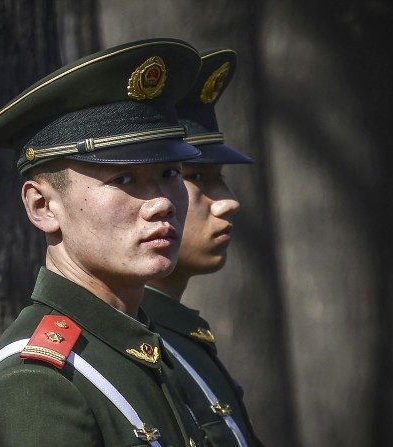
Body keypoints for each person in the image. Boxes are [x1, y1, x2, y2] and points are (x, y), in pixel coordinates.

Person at [0, 39, 207, 446]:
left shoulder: (152, 347)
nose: (161, 202)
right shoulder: (38, 385)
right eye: (123, 179)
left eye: (170, 173)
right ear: (42, 207)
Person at [143, 49, 263, 447]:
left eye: (221, 177)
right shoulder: (134, 346)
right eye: (195, 176)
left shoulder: (181, 337)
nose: (228, 200)